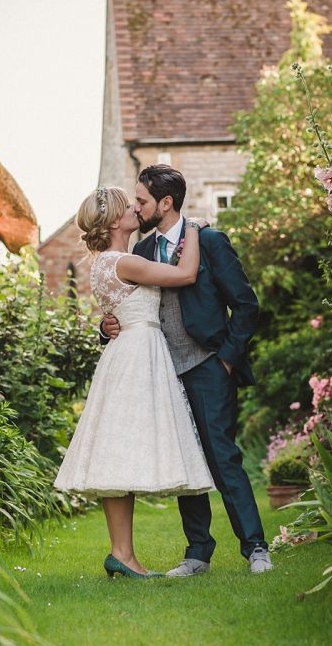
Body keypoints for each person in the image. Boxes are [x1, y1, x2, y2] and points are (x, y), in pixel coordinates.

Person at [101, 164, 272, 575]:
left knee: (222, 457)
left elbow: (246, 305)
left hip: (209, 366)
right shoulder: (138, 253)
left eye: (141, 200)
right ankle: (197, 554)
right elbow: (126, 306)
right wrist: (104, 328)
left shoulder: (210, 241)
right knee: (184, 462)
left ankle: (256, 549)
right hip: (161, 373)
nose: (136, 208)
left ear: (166, 202)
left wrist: (227, 359)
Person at [54, 186, 215, 579]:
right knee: (122, 450)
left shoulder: (107, 262)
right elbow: (185, 274)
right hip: (137, 354)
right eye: (129, 206)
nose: (135, 210)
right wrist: (191, 228)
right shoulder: (122, 261)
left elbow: (120, 310)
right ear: (113, 221)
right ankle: (122, 554)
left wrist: (106, 325)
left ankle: (122, 554)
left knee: (119, 452)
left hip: (127, 352)